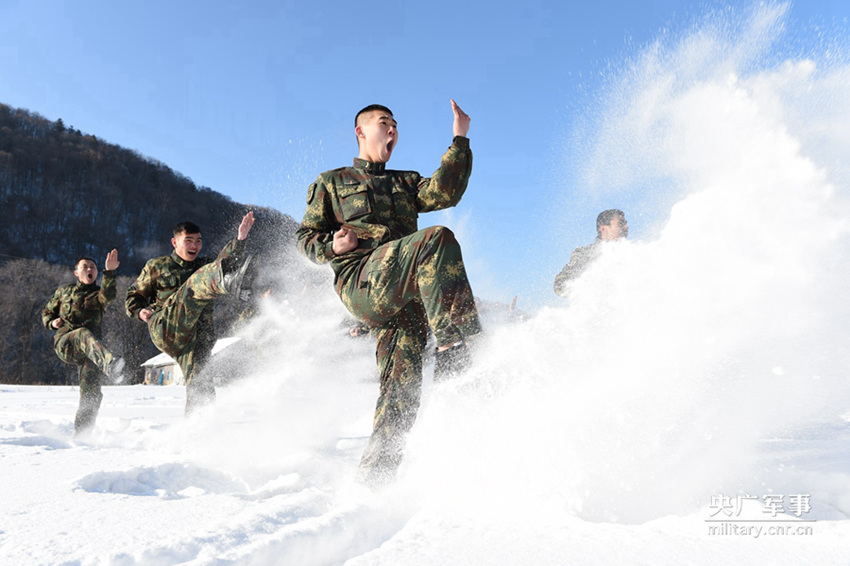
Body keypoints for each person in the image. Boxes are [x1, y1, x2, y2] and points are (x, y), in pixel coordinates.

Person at [296, 100, 482, 486]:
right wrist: (334, 247)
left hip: (406, 293)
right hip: (362, 279)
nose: (393, 130)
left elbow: (444, 195)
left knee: (401, 391)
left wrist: (459, 140)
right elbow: (305, 238)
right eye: (384, 123)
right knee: (436, 239)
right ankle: (458, 347)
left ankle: (374, 482)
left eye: (396, 125)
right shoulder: (332, 181)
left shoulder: (405, 181)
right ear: (361, 132)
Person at [126, 212, 254, 414]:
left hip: (197, 340)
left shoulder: (203, 265)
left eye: (198, 241)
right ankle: (231, 284)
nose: (194, 245)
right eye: (188, 241)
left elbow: (222, 264)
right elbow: (133, 296)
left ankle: (196, 434)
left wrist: (240, 240)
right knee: (195, 284)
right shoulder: (157, 267)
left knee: (202, 389)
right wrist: (140, 310)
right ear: (174, 243)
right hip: (167, 328)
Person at [42, 250, 124, 436]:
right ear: (76, 272)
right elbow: (47, 312)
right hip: (66, 343)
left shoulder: (98, 295)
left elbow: (109, 296)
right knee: (82, 334)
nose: (89, 269)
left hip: (91, 351)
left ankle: (82, 435)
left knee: (91, 393)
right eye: (85, 267)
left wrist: (110, 272)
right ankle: (110, 365)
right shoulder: (64, 291)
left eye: (93, 267)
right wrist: (52, 322)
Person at [554, 209, 628, 297]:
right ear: (604, 229)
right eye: (620, 224)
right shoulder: (586, 254)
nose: (626, 227)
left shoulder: (631, 253)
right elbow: (559, 285)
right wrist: (590, 286)